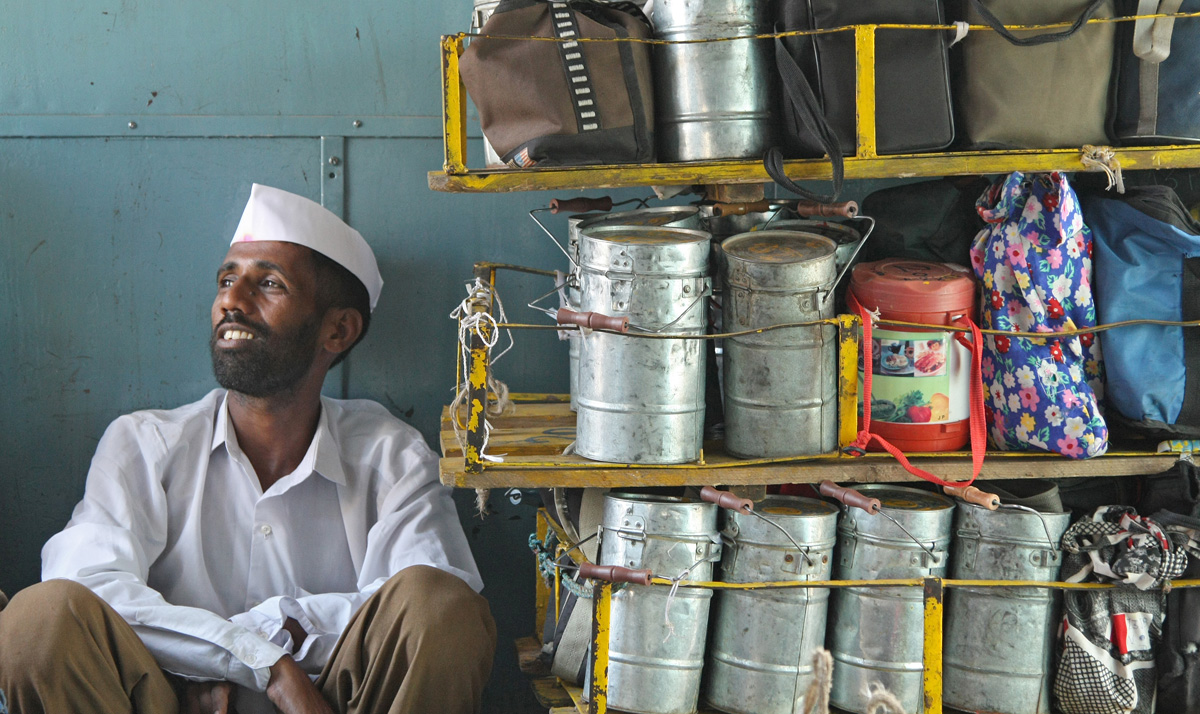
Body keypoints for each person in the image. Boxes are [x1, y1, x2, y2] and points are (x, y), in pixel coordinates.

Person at [0, 184, 496, 714]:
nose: (231, 302)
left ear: (338, 329)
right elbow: (84, 584)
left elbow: (439, 597)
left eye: (270, 284)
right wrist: (265, 663)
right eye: (227, 280)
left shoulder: (391, 455)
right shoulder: (144, 443)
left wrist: (243, 640)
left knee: (440, 609)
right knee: (36, 621)